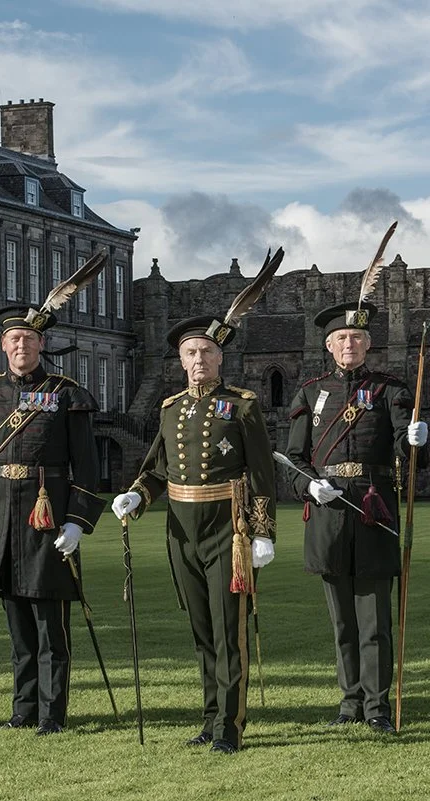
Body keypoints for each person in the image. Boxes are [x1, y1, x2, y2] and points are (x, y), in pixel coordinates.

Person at [111, 314, 277, 755]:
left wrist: (262, 532)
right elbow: (157, 470)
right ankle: (210, 718)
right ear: (181, 361)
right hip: (181, 530)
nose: (199, 359)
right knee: (202, 630)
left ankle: (230, 726)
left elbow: (261, 472)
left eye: (206, 351)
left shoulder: (243, 405)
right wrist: (136, 497)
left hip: (229, 527)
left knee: (228, 631)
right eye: (191, 353)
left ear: (221, 356)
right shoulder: (170, 408)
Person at [284, 300, 427, 734]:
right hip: (328, 511)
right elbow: (294, 458)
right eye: (342, 338)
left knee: (374, 619)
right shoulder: (310, 393)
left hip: (373, 507)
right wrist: (308, 484)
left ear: (368, 344)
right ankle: (350, 701)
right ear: (329, 345)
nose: (350, 344)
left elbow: (407, 446)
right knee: (342, 620)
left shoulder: (390, 389)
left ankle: (378, 705)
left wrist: (415, 440)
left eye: (358, 338)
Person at [0, 305, 103, 736]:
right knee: (18, 627)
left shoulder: (66, 393)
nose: (21, 345)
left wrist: (77, 521)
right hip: (1, 517)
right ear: (3, 345)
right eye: (14, 339)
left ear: (42, 344)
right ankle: (22, 709)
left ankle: (51, 714)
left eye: (29, 338)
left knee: (50, 627)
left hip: (48, 520)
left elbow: (87, 464)